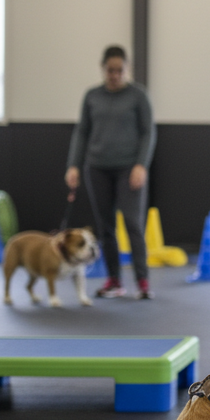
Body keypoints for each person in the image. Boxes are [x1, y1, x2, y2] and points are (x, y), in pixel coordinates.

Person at [65, 45, 157, 299]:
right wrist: (73, 165)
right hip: (97, 168)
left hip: (129, 168)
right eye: (110, 70)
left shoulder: (138, 95)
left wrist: (141, 165)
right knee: (105, 227)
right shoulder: (92, 96)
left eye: (119, 70)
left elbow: (148, 132)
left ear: (127, 69)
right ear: (103, 69)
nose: (115, 75)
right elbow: (82, 132)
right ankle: (114, 280)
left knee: (132, 224)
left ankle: (142, 282)